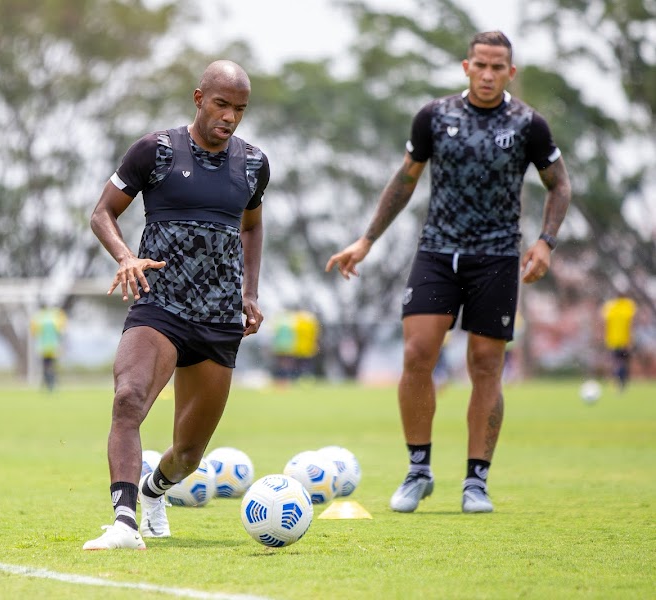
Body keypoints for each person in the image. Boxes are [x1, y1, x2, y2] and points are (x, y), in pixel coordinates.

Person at [326, 31, 572, 514]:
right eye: (479, 64)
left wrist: (546, 242)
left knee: (486, 365)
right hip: (437, 251)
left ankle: (476, 481)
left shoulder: (528, 125)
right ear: (466, 66)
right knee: (418, 352)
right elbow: (405, 179)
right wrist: (367, 239)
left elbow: (559, 185)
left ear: (510, 73)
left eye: (496, 67)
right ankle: (418, 471)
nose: (486, 74)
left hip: (498, 256)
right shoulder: (435, 117)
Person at [83, 59, 269, 549]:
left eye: (240, 109)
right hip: (159, 305)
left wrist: (250, 293)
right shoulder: (155, 150)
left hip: (218, 317)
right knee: (128, 399)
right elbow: (102, 213)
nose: (229, 116)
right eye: (221, 104)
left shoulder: (254, 163)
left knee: (188, 454)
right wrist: (126, 257)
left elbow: (251, 226)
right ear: (198, 98)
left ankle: (153, 491)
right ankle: (124, 522)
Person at [601, 294, 637, 391]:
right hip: (623, 340)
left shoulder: (610, 306)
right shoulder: (628, 306)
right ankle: (621, 383)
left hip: (614, 340)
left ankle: (619, 382)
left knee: (618, 362)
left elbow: (606, 324)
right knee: (622, 362)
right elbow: (631, 325)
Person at [30, 302, 67, 392]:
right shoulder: (55, 317)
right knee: (51, 365)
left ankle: (47, 383)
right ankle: (51, 383)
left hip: (43, 347)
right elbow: (61, 330)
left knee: (45, 365)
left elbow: (33, 331)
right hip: (53, 346)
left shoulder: (39, 317)